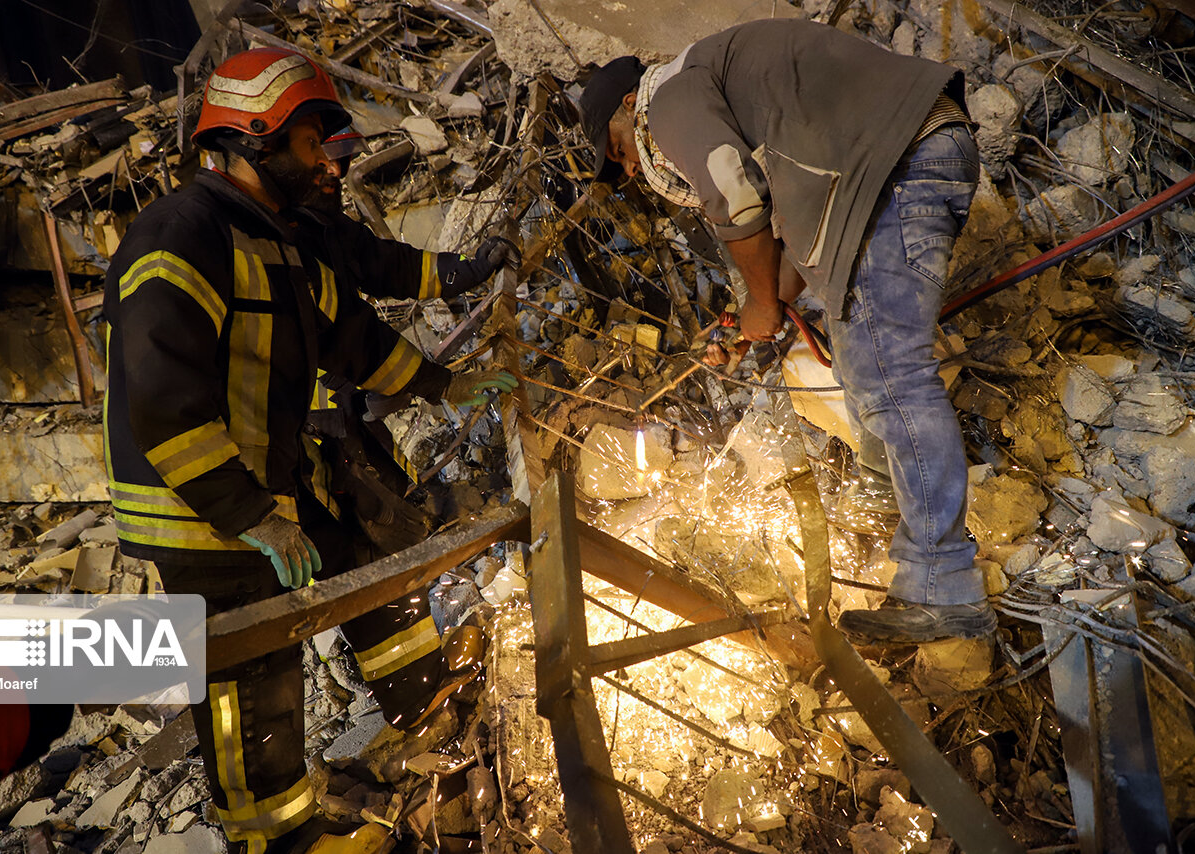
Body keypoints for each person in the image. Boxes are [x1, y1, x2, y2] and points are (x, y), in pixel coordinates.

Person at [104, 47, 517, 853]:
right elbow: (158, 396)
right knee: (249, 688)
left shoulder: (279, 241)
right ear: (252, 139)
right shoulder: (180, 236)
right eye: (307, 142)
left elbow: (351, 338)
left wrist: (444, 386)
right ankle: (277, 841)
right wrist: (251, 515)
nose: (326, 160)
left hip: (268, 492)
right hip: (204, 516)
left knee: (367, 571)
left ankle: (427, 721)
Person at [578, 18, 994, 644]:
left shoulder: (669, 97)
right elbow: (797, 250)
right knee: (864, 366)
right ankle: (886, 510)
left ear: (629, 105)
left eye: (618, 151)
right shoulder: (733, 91)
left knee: (891, 376)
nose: (631, 170)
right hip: (894, 165)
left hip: (896, 167)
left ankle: (945, 588)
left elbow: (734, 195)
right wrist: (757, 312)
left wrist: (757, 302)